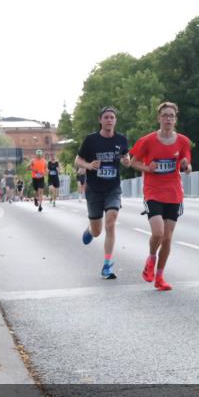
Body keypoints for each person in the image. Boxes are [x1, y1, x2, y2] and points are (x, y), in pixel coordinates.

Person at [128, 102, 192, 291]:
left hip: (174, 194)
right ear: (159, 118)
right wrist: (148, 168)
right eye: (165, 115)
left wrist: (186, 167)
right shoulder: (147, 141)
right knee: (158, 233)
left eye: (171, 116)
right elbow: (133, 162)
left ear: (176, 119)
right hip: (153, 191)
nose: (168, 119)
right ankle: (151, 258)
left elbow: (187, 164)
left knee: (167, 238)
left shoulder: (183, 141)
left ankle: (160, 277)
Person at [76, 106, 131, 279]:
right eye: (106, 117)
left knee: (111, 222)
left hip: (113, 188)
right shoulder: (91, 140)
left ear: (115, 120)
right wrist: (88, 165)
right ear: (100, 120)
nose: (109, 120)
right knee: (98, 230)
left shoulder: (121, 139)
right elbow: (78, 160)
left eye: (112, 117)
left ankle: (107, 265)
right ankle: (90, 230)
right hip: (94, 189)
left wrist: (126, 160)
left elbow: (125, 157)